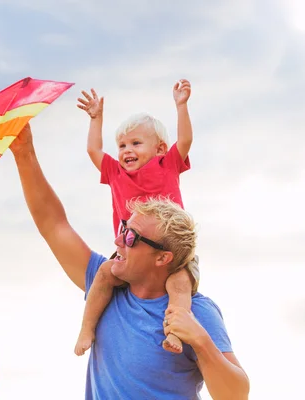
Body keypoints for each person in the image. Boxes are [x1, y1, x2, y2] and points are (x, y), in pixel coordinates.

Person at [9, 123, 249, 400]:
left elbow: (236, 395)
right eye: (124, 230)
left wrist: (201, 342)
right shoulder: (106, 288)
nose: (118, 241)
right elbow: (53, 224)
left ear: (163, 257)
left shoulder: (197, 312)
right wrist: (23, 152)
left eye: (132, 237)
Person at [74, 79, 196, 356]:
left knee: (179, 283)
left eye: (136, 143)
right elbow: (93, 151)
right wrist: (96, 118)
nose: (127, 150)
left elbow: (186, 140)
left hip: (170, 249)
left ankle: (175, 332)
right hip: (130, 251)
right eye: (122, 145)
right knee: (104, 274)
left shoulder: (167, 164)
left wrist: (181, 106)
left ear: (160, 149)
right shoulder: (115, 172)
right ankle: (87, 328)